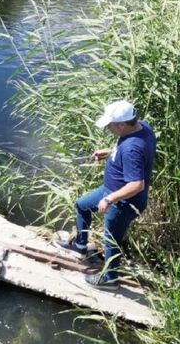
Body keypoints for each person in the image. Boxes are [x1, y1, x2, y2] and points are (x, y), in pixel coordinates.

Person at [55, 100, 156, 290]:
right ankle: (80, 245)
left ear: (123, 124)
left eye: (110, 125)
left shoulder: (132, 148)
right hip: (111, 190)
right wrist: (111, 151)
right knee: (82, 205)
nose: (108, 128)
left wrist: (110, 199)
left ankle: (110, 279)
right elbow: (134, 152)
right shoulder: (143, 129)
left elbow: (137, 184)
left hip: (123, 202)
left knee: (111, 240)